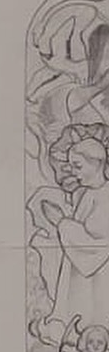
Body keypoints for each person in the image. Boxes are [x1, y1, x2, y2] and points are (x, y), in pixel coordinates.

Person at [39, 134, 109, 332]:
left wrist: (61, 222)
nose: (73, 172)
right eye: (71, 166)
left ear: (97, 164)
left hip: (98, 277)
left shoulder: (105, 196)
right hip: (81, 273)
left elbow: (97, 246)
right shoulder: (88, 192)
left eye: (78, 166)